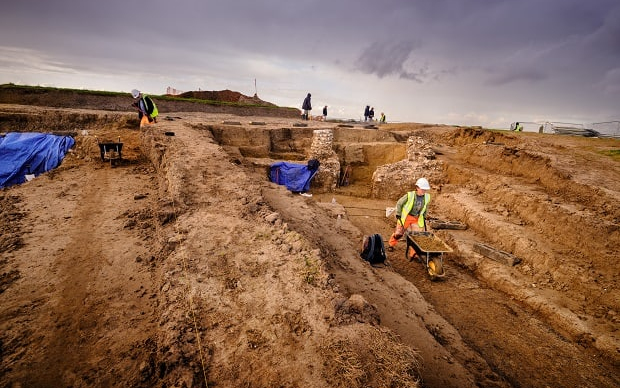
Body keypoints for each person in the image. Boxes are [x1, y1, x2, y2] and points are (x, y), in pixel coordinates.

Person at [387, 177, 431, 251]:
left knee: (416, 236)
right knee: (399, 233)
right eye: (422, 189)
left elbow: (426, 207)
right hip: (406, 217)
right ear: (417, 187)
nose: (424, 191)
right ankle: (391, 244)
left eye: (425, 190)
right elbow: (399, 203)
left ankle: (413, 254)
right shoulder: (409, 195)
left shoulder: (427, 197)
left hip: (417, 218)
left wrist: (424, 216)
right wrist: (398, 213)